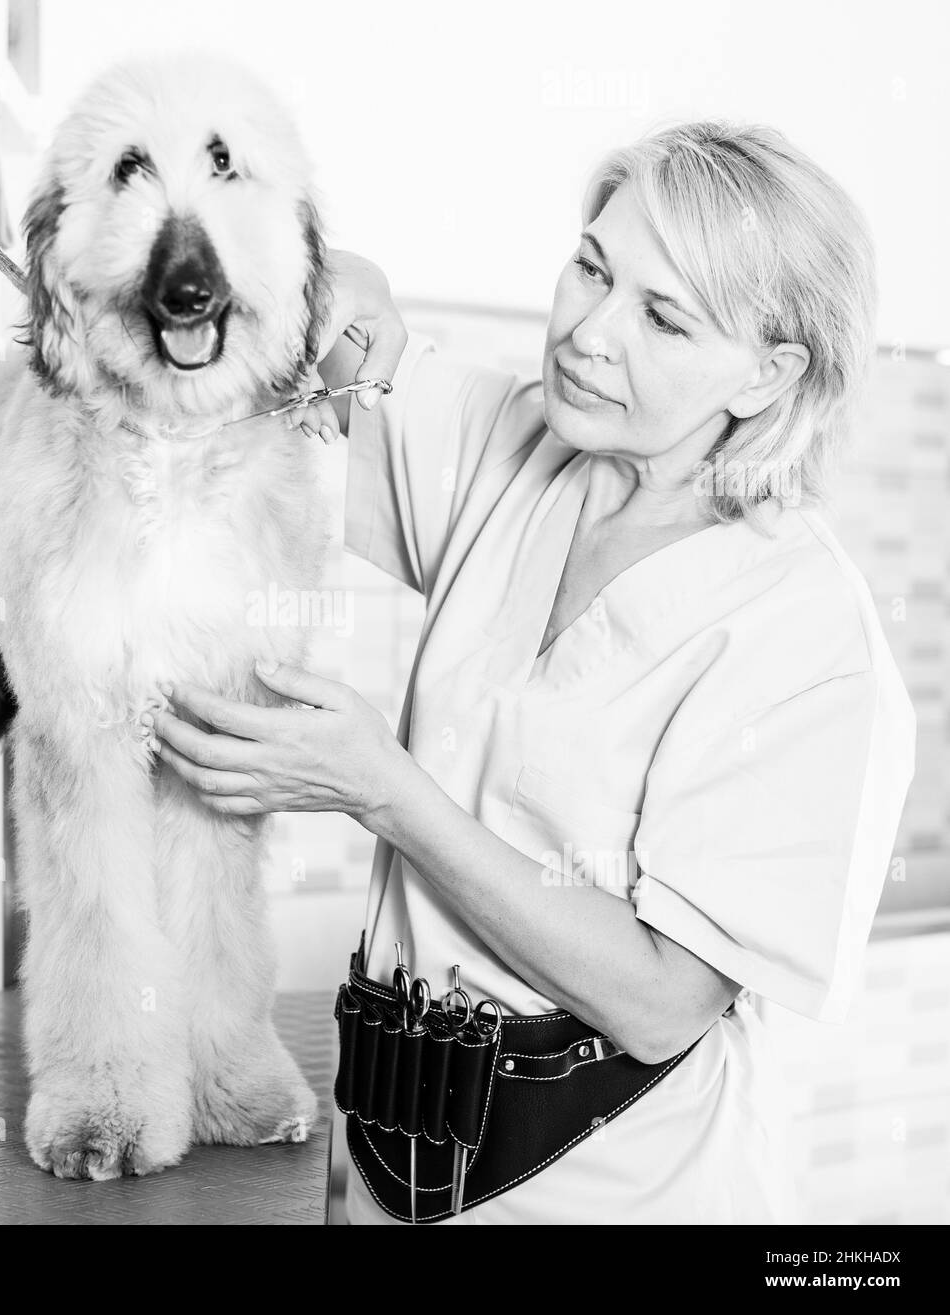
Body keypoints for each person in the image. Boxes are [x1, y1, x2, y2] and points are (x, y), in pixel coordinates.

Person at [142, 121, 916, 1223]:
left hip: (612, 1194)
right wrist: (330, 286)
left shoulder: (801, 633)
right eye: (592, 268)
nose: (588, 333)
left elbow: (658, 999)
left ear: (767, 371)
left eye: (662, 317)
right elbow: (325, 304)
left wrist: (383, 789)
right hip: (381, 1171)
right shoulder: (521, 445)